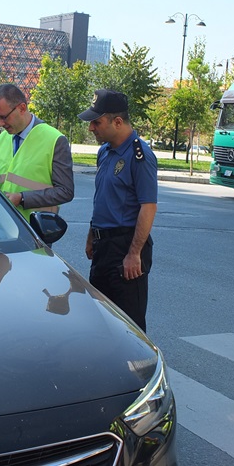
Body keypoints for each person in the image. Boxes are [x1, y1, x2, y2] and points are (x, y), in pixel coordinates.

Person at [78, 89, 158, 332]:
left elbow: (148, 207)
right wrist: (93, 233)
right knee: (101, 319)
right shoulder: (104, 152)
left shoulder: (140, 156)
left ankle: (137, 370)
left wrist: (134, 254)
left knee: (128, 325)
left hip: (126, 247)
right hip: (104, 247)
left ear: (118, 121)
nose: (91, 128)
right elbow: (103, 198)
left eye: (96, 122)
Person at [0, 83, 74, 222]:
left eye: (4, 117)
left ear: (22, 108)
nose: (0, 123)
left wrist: (22, 198)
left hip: (35, 232)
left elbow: (65, 191)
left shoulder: (55, 140)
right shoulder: (3, 138)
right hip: (2, 227)